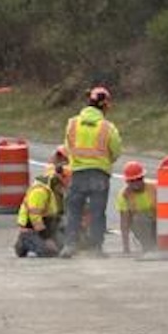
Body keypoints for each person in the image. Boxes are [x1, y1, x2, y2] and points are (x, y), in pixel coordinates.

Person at [60, 85, 121, 257]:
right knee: (97, 213)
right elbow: (116, 150)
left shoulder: (72, 124)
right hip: (99, 174)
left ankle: (69, 245)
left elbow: (67, 147)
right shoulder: (107, 127)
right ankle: (96, 248)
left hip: (77, 173)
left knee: (74, 211)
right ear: (104, 105)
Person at [14, 167, 66, 258]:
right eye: (62, 187)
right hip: (33, 229)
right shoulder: (40, 192)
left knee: (62, 249)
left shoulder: (52, 192)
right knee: (48, 252)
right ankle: (24, 242)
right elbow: (35, 218)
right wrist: (47, 239)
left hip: (48, 226)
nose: (63, 190)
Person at [116, 160, 156, 254]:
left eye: (138, 179)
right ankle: (148, 246)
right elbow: (125, 224)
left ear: (143, 178)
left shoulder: (154, 189)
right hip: (142, 227)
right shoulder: (124, 196)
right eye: (132, 181)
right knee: (139, 218)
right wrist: (126, 248)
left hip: (159, 224)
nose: (136, 183)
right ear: (127, 181)